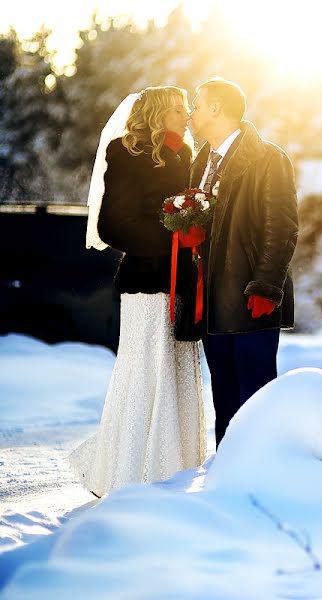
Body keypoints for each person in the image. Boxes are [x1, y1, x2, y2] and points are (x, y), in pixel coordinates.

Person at [70, 86, 207, 497]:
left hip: (182, 284)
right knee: (146, 370)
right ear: (158, 113)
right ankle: (129, 473)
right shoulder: (124, 153)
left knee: (178, 374)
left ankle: (175, 469)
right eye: (180, 109)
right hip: (147, 285)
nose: (187, 116)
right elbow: (113, 224)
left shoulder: (186, 154)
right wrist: (173, 240)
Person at [188, 77, 299, 446]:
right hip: (212, 304)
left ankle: (262, 473)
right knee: (225, 402)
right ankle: (226, 477)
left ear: (217, 108)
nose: (192, 112)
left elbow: (281, 227)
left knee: (256, 400)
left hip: (251, 300)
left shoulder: (269, 159)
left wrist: (266, 285)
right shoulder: (202, 161)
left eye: (197, 104)